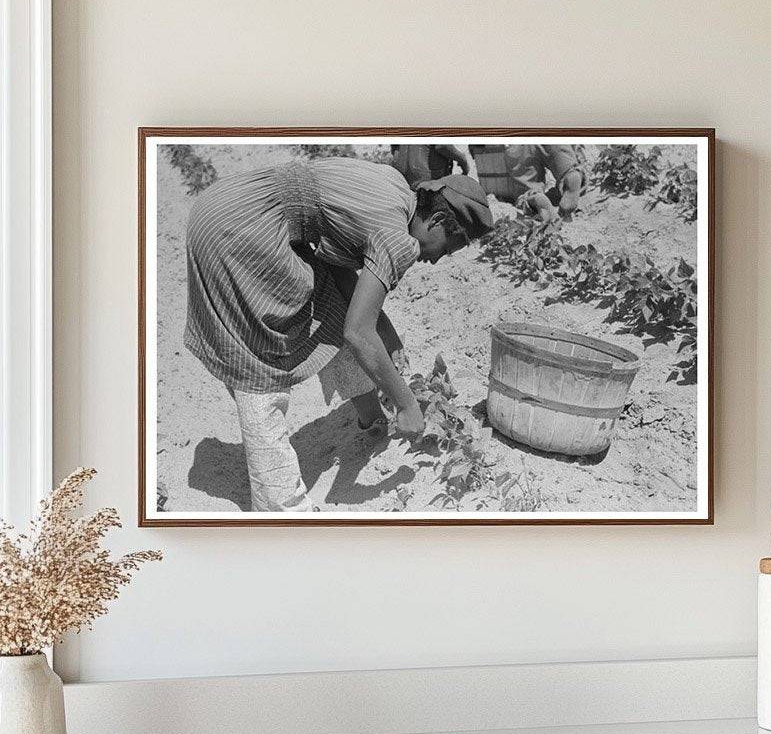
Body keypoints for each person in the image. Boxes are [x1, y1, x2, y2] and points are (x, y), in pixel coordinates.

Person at [184, 157, 494, 512]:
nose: (438, 260)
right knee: (262, 362)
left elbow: (342, 274)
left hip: (227, 205)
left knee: (325, 304)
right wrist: (407, 403)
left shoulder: (394, 187)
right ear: (437, 221)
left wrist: (387, 332)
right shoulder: (398, 239)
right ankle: (283, 507)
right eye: (448, 248)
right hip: (241, 231)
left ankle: (371, 418)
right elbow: (358, 332)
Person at [469, 144, 586, 219]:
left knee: (523, 190)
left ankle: (532, 198)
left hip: (499, 154)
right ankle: (569, 173)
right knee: (554, 149)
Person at [390, 143, 471, 188]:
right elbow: (442, 146)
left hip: (402, 179)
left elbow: (394, 150)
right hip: (428, 182)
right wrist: (463, 160)